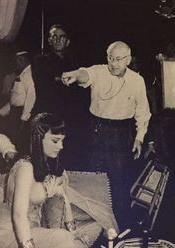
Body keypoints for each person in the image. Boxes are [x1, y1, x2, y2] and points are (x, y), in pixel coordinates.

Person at [0, 113, 118, 248]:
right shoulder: (25, 168)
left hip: (31, 231)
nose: (61, 146)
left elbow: (63, 198)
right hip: (5, 234)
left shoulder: (46, 166)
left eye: (62, 141)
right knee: (63, 239)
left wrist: (71, 230)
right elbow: (18, 217)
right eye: (55, 141)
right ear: (38, 139)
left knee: (86, 233)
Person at [61, 41, 151, 229]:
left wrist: (139, 138)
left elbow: (143, 112)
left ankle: (122, 228)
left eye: (118, 59)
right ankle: (95, 226)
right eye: (110, 58)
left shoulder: (137, 81)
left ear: (128, 59)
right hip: (96, 131)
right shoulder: (99, 71)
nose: (113, 64)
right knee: (93, 179)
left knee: (119, 183)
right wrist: (74, 75)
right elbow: (85, 74)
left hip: (121, 134)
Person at [32, 24, 90, 169]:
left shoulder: (77, 62)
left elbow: (83, 87)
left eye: (62, 36)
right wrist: (70, 78)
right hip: (48, 116)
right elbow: (46, 81)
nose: (58, 39)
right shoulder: (40, 60)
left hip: (71, 118)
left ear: (68, 41)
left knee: (70, 157)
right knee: (46, 158)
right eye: (54, 36)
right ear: (49, 41)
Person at [0, 51, 35, 150]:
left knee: (18, 142)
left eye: (16, 60)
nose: (15, 63)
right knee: (12, 140)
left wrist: (24, 118)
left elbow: (31, 98)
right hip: (14, 113)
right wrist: (1, 112)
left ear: (22, 59)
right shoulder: (22, 74)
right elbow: (15, 99)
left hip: (21, 114)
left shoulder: (29, 74)